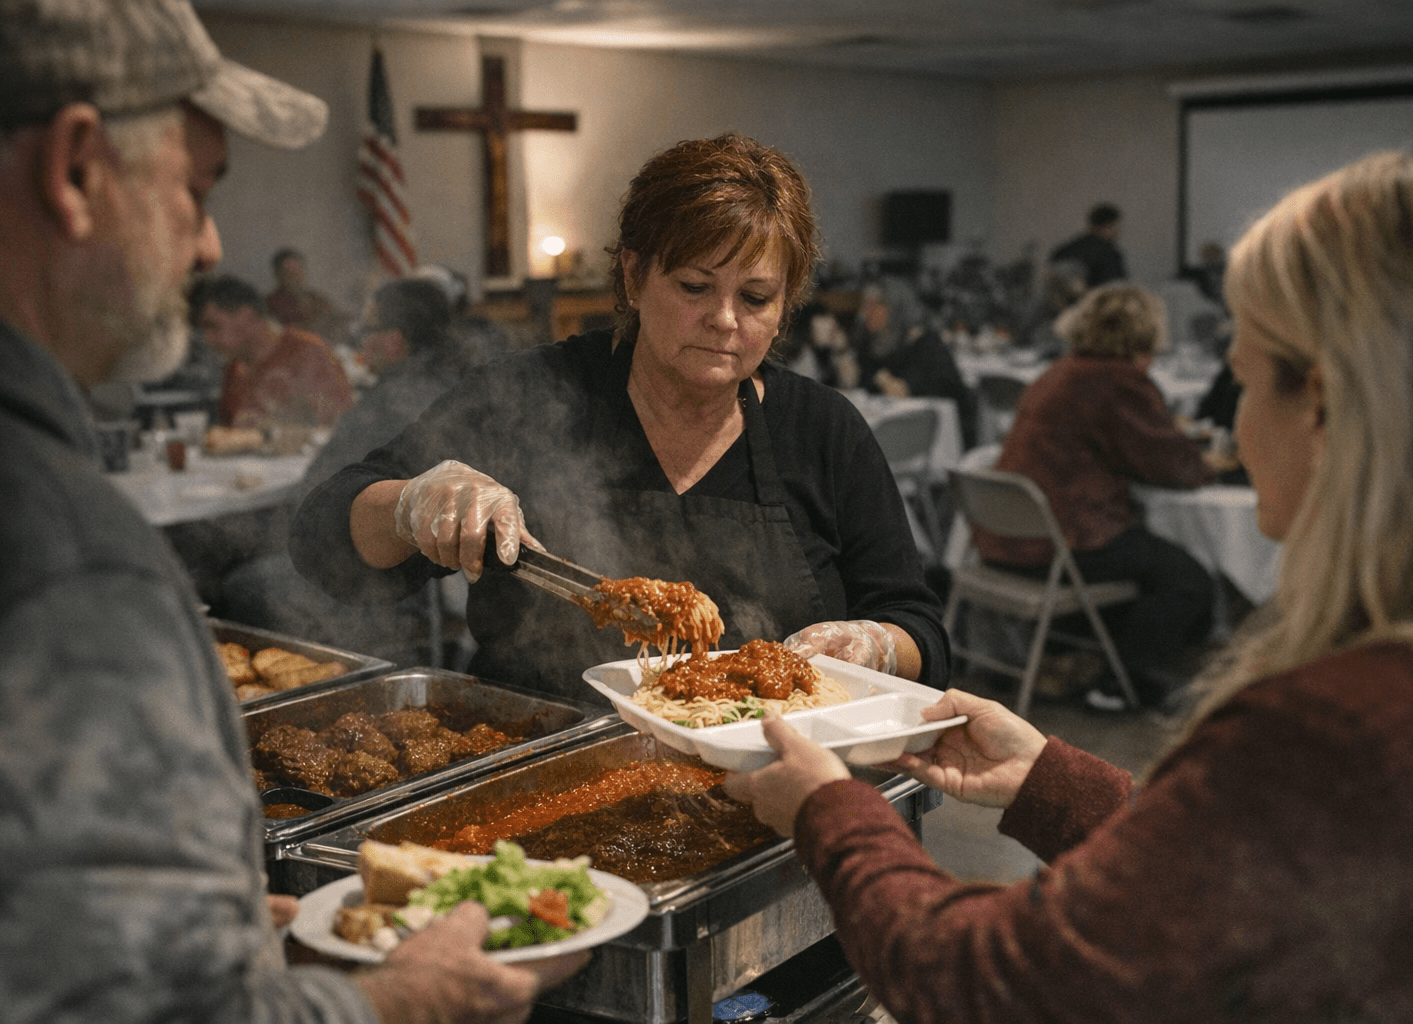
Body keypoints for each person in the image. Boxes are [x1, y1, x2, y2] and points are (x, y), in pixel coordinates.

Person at [724, 138, 1413, 1022]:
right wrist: (1051, 779)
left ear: (1320, 401)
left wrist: (829, 810)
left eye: (1240, 380)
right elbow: (1229, 872)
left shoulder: (1339, 723)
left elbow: (991, 984)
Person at [0, 1, 586, 1020]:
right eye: (196, 190)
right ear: (73, 170)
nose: (207, 246)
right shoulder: (56, 553)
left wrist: (214, 928)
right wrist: (397, 1001)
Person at [291, 134, 949, 702]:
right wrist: (412, 503)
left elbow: (919, 629)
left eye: (755, 297)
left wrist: (874, 645)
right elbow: (324, 542)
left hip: (771, 788)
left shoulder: (822, 430)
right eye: (695, 287)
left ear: (785, 308)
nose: (725, 321)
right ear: (634, 277)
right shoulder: (531, 396)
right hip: (539, 764)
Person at [221, 276, 508, 663]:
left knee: (244, 586)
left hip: (401, 591)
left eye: (367, 329)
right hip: (452, 586)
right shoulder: (454, 384)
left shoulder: (390, 401)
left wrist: (248, 543)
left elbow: (315, 507)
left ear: (393, 340)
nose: (360, 340)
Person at [976, 282, 1218, 709]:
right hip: (1061, 541)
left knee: (1150, 563)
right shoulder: (1117, 381)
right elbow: (1171, 463)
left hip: (1003, 537)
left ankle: (1086, 658)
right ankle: (1117, 685)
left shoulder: (1060, 371)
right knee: (1190, 582)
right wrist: (1210, 463)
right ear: (1144, 335)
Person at [197, 272, 355, 429]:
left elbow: (342, 427)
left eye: (213, 326)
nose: (208, 339)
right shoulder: (234, 370)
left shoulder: (308, 352)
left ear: (246, 316)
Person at [851, 276, 979, 450]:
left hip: (937, 442)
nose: (863, 313)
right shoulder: (873, 344)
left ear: (896, 307)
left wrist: (881, 378)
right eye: (864, 305)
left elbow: (901, 391)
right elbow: (857, 384)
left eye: (874, 305)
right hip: (894, 437)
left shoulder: (927, 345)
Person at [266, 244, 345, 341]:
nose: (297, 277)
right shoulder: (270, 305)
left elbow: (337, 326)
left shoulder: (318, 300)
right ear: (278, 276)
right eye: (290, 273)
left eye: (299, 270)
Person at [1049, 201, 1127, 288]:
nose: (1118, 232)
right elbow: (1115, 289)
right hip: (1096, 300)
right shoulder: (1109, 253)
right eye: (1116, 227)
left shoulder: (1063, 251)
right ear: (1110, 226)